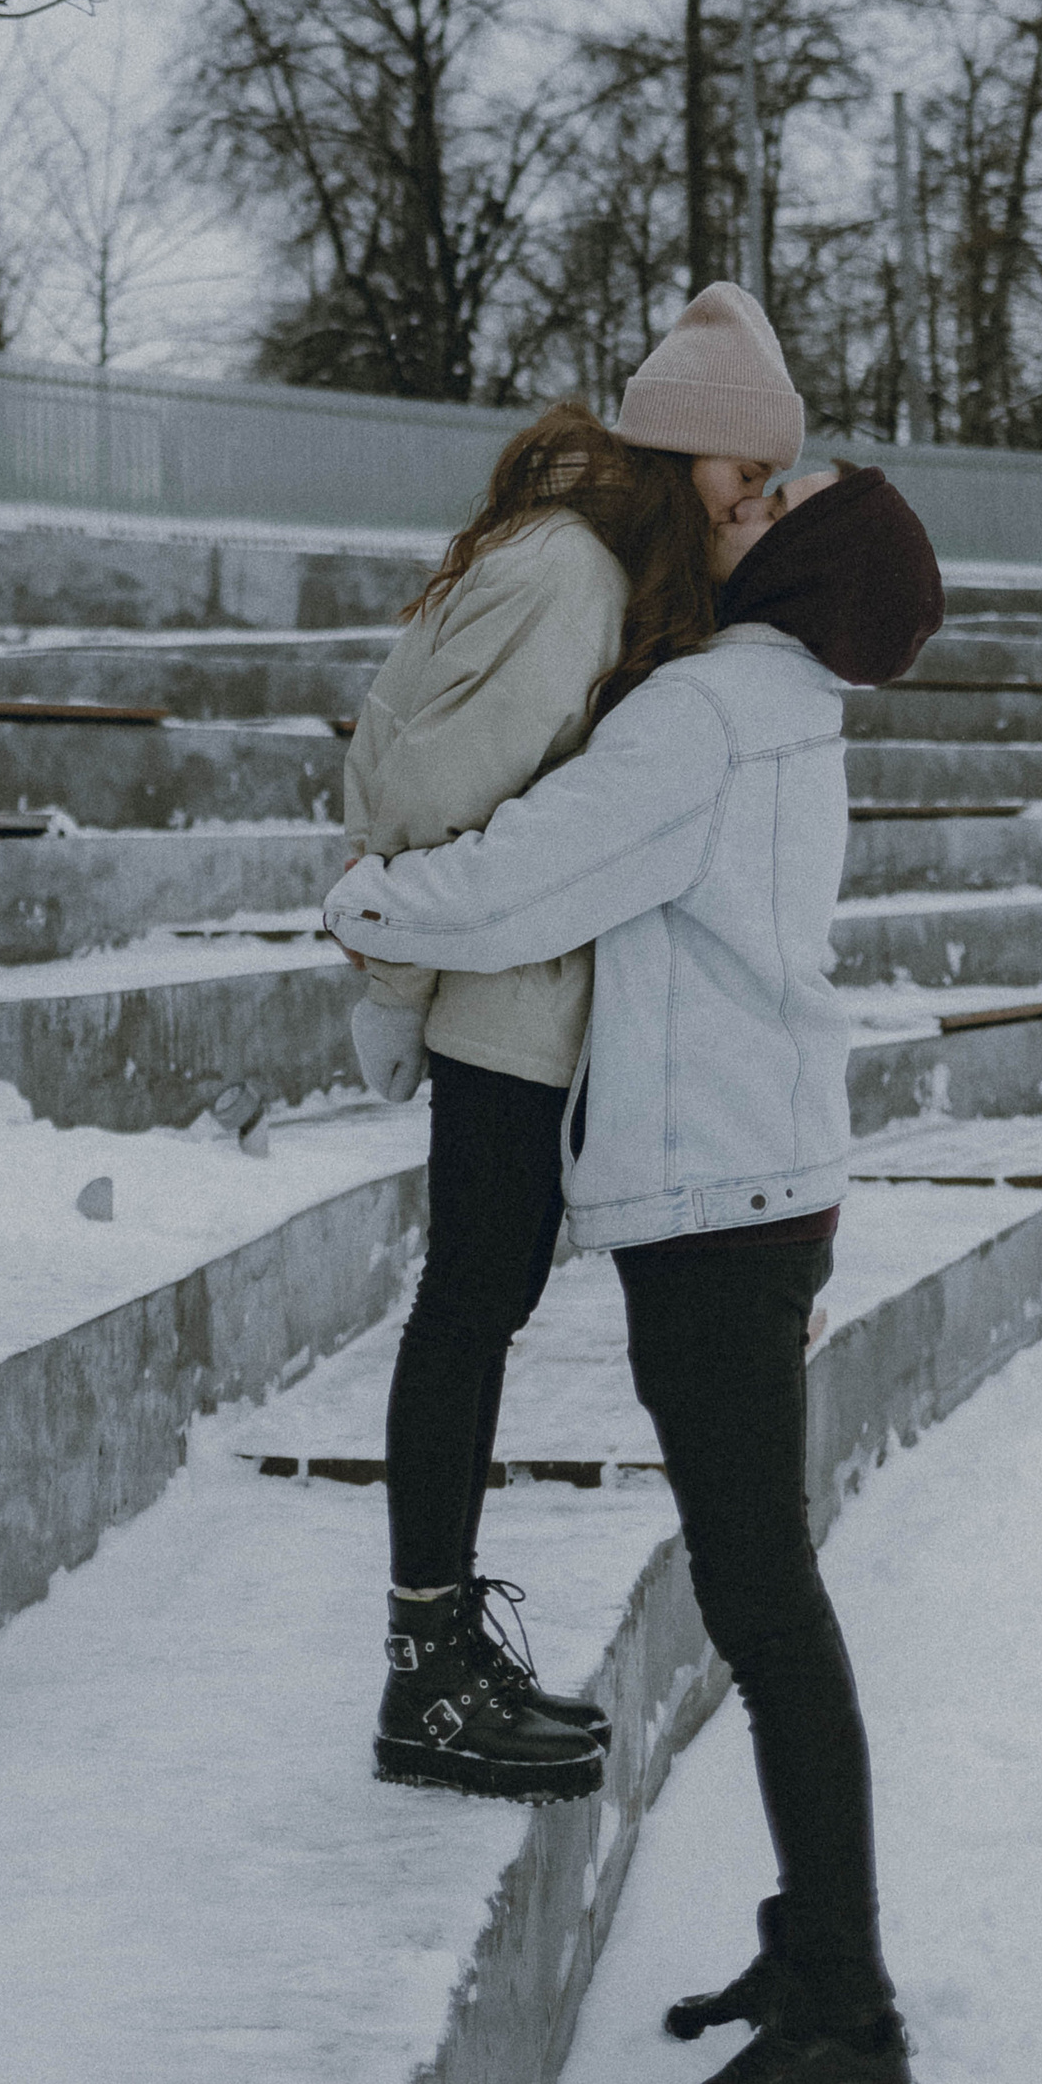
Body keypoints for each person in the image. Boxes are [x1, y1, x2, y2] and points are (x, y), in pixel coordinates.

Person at [326, 431, 945, 2084]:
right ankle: (815, 1943)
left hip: (716, 1206)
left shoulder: (700, 721)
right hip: (764, 1180)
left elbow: (521, 881)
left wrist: (372, 906)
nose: (744, 504)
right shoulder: (790, 713)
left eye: (778, 505)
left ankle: (846, 2010)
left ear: (806, 568)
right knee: (767, 1588)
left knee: (762, 1595)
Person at [341, 285, 810, 1810]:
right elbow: (434, 785)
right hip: (504, 999)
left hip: (543, 992)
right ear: (685, 459)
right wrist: (404, 958)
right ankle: (427, 1676)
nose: (764, 502)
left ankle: (443, 1656)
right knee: (468, 1308)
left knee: (484, 1305)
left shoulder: (625, 568)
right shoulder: (569, 576)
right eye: (749, 476)